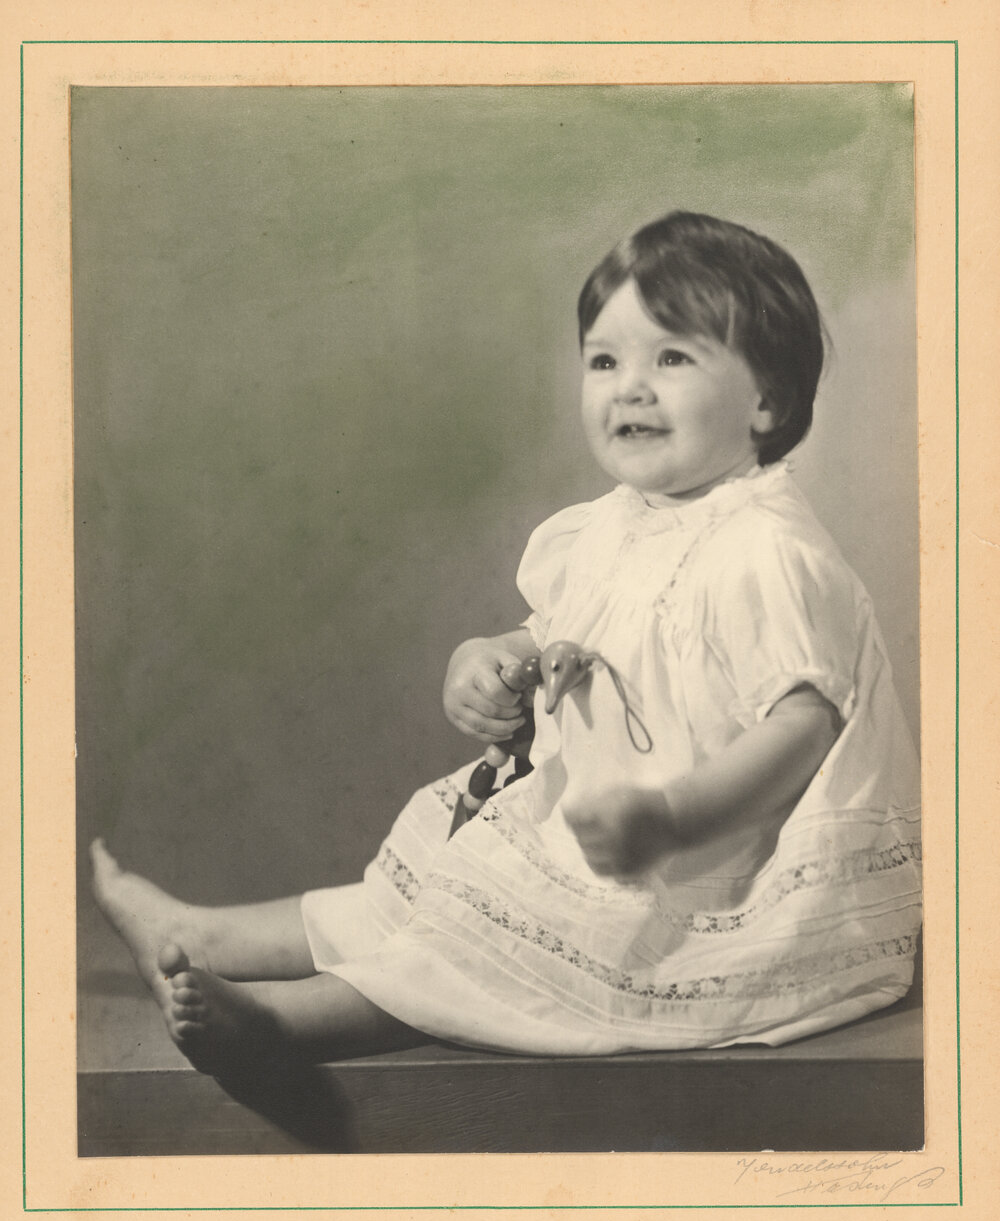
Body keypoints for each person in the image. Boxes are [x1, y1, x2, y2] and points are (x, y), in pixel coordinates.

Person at [91, 210, 922, 1072]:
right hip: (599, 833)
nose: (629, 387)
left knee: (489, 940)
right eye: (605, 361)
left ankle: (289, 1025)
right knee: (417, 893)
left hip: (710, 874)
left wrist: (673, 818)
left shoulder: (766, 548)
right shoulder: (610, 526)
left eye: (672, 358)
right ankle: (202, 935)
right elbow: (554, 633)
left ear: (768, 401)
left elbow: (802, 728)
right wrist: (494, 659)